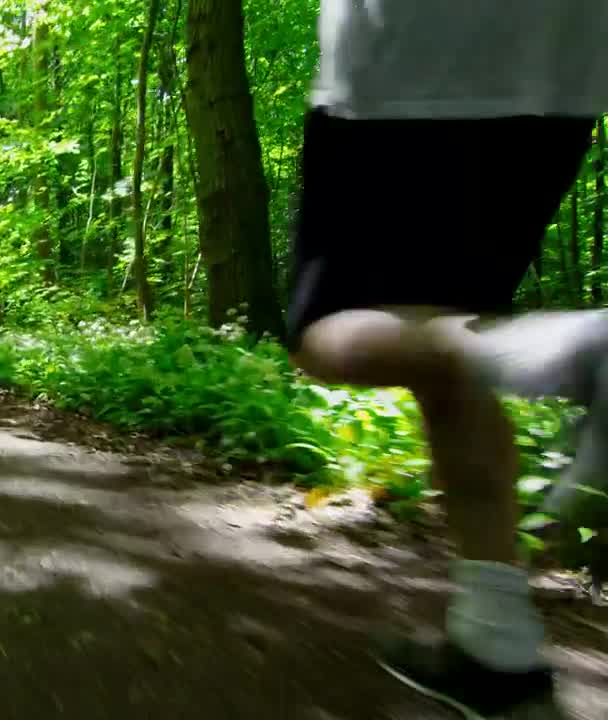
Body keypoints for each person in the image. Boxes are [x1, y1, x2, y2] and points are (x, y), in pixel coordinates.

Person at [285, 1, 608, 716]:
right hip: (563, 67)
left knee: (328, 332)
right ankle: (496, 643)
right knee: (449, 343)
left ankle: (577, 348)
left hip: (409, 54)